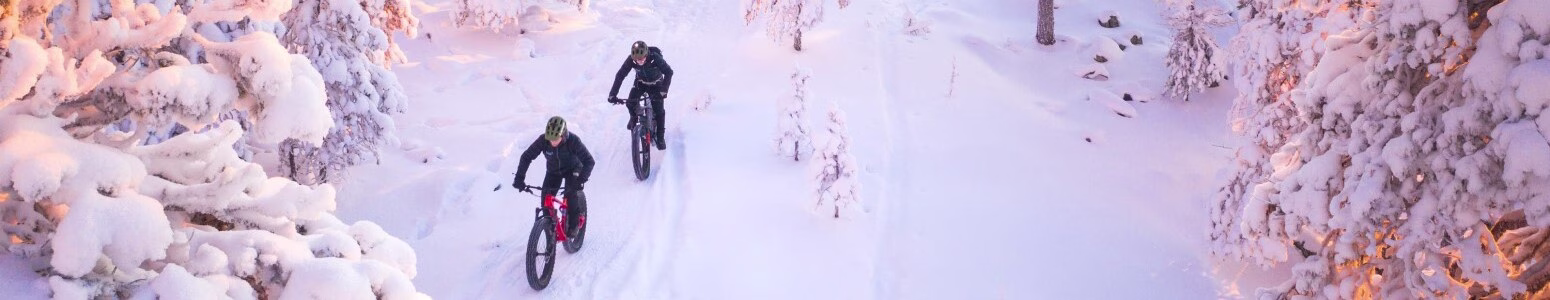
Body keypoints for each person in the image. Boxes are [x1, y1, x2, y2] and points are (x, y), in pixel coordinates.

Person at [514, 116, 594, 232]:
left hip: (573, 169)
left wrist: (581, 180)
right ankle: (549, 233)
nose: (552, 142)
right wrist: (519, 178)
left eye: (556, 139)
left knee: (570, 195)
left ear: (564, 135)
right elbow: (526, 157)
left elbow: (589, 161)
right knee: (545, 202)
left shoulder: (574, 141)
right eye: (550, 139)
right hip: (553, 171)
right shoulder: (543, 140)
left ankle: (574, 226)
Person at [607, 40, 673, 150]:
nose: (640, 62)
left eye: (642, 58)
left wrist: (663, 91)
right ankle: (633, 117)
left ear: (646, 54)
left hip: (656, 84)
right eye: (637, 60)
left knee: (659, 111)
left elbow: (669, 72)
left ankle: (660, 137)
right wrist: (612, 94)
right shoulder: (631, 60)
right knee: (630, 103)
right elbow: (620, 75)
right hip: (640, 83)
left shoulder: (655, 58)